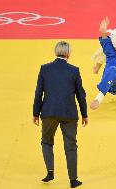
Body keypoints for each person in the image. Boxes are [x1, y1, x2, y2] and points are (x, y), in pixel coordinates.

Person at [33, 41, 88, 188]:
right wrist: (84, 114)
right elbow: (80, 95)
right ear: (68, 53)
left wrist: (35, 113)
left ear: (55, 52)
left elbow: (39, 93)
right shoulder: (74, 70)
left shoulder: (45, 69)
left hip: (48, 112)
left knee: (46, 142)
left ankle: (50, 171)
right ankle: (73, 180)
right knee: (71, 146)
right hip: (69, 113)